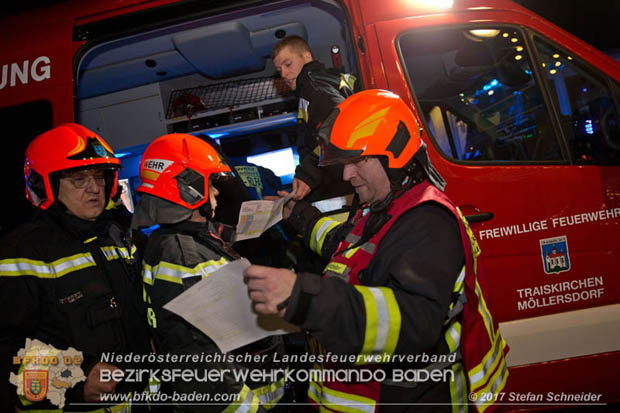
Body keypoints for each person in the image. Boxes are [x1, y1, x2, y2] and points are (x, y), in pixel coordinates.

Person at [244, 90, 509, 412]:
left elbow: (415, 321)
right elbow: (344, 245)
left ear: (394, 155)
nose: (346, 174)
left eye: (357, 160)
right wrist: (293, 213)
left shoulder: (427, 222)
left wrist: (305, 296)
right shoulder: (383, 208)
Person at [132, 133, 288, 413]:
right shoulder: (183, 256)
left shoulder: (178, 243)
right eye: (211, 184)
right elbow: (199, 356)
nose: (216, 193)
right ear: (187, 187)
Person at [0, 123, 151, 411]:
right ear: (45, 185)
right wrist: (74, 379)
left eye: (98, 176)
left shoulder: (119, 234)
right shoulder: (20, 253)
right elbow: (5, 351)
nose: (95, 188)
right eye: (78, 179)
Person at [272, 35, 355, 201]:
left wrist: (307, 175)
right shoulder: (331, 80)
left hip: (337, 190)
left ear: (307, 57)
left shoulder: (314, 87)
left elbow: (337, 126)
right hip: (345, 183)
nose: (285, 74)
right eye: (280, 70)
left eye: (288, 64)